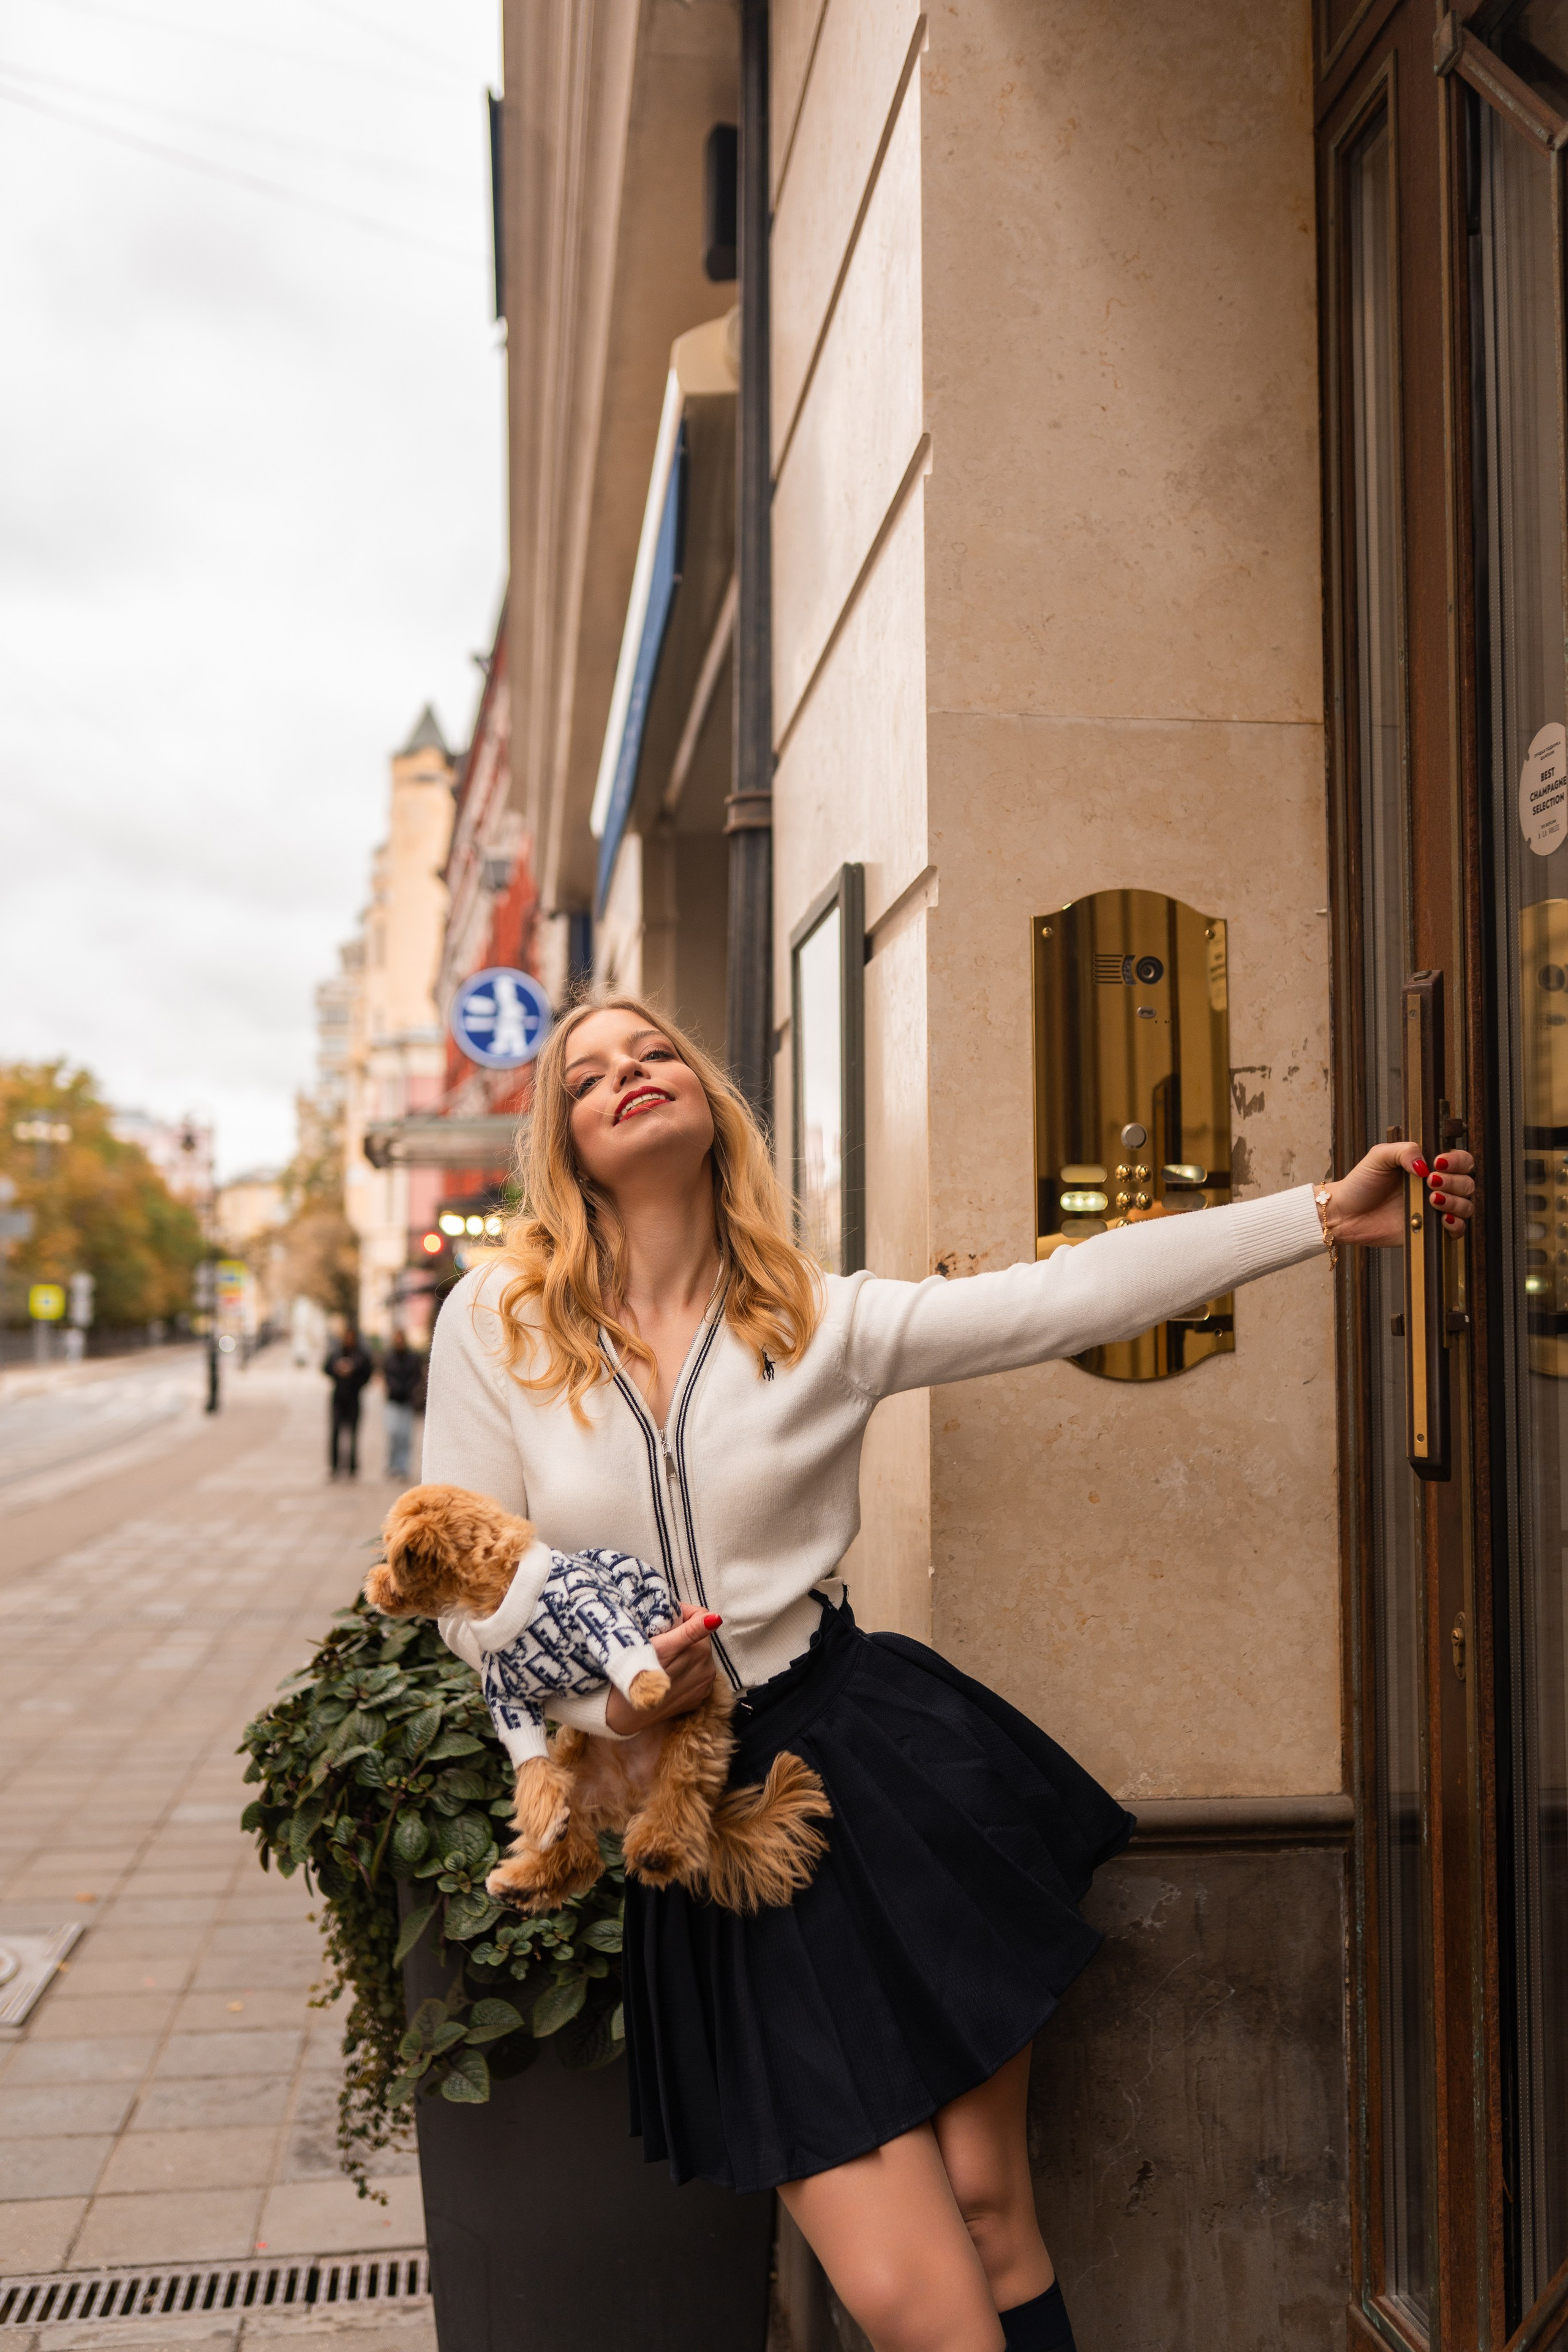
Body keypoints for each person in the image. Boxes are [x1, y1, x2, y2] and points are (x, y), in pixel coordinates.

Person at [421, 996, 1474, 2352]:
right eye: (589, 1076)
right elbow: (465, 1592)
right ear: (559, 1141)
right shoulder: (494, 1324)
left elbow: (1055, 1300)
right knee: (916, 2307)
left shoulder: (818, 1317)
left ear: (704, 1099)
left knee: (988, 2216)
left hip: (868, 1765)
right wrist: (610, 1700)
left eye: (656, 1053)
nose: (629, 1077)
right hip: (719, 1835)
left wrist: (1319, 1216)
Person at [322, 1326, 372, 1479]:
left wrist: (354, 1372)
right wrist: (337, 1369)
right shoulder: (337, 1352)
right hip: (338, 1398)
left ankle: (352, 1467)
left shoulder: (361, 1355)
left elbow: (368, 1373)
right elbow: (326, 1368)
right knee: (336, 1433)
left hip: (354, 1398)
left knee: (353, 1434)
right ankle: (335, 1467)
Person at [380, 1328, 422, 1481]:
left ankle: (403, 1467)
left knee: (405, 1436)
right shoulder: (390, 1357)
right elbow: (386, 1375)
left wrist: (411, 1390)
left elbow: (417, 1376)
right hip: (393, 1400)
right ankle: (392, 1465)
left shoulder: (412, 1358)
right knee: (393, 1433)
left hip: (407, 1401)